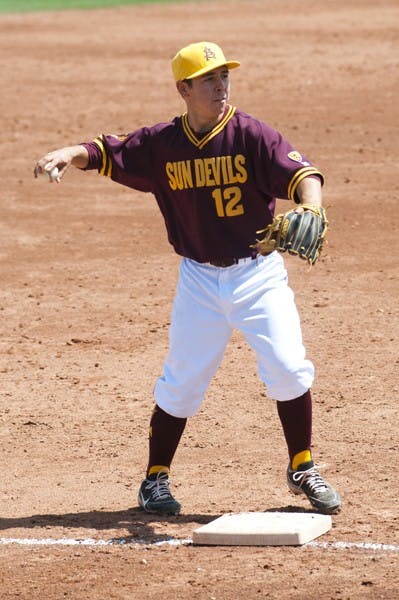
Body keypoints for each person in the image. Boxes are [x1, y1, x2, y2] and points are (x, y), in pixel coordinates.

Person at [34, 41, 341, 516]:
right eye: (209, 80)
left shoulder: (251, 135)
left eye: (224, 77)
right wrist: (69, 152)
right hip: (198, 280)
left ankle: (302, 465)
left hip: (257, 275)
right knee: (182, 381)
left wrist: (311, 205)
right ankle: (155, 479)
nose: (221, 86)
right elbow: (111, 151)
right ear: (184, 89)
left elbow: (303, 174)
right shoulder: (163, 144)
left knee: (287, 365)